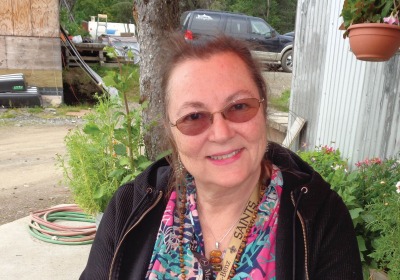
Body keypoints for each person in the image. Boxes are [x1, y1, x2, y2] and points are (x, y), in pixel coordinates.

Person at [80, 33, 363, 280]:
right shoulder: (129, 207)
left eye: (239, 106)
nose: (221, 133)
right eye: (194, 116)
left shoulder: (319, 215)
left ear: (263, 110)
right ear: (171, 131)